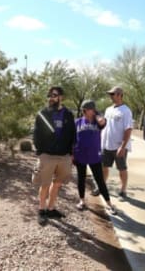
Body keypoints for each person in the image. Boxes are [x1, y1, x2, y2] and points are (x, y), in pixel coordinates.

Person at [33, 86, 76, 226]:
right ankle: (41, 210)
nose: (51, 97)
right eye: (49, 95)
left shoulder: (68, 114)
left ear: (61, 97)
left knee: (57, 184)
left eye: (54, 95)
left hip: (64, 156)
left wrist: (71, 153)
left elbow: (73, 134)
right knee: (45, 184)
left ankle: (51, 209)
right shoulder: (43, 113)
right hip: (47, 156)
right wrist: (40, 152)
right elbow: (36, 134)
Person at [73, 100, 117, 215]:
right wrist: (72, 155)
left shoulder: (98, 122)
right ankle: (82, 201)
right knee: (81, 179)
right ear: (85, 110)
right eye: (91, 109)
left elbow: (102, 123)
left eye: (94, 109)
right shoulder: (77, 122)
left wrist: (98, 116)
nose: (93, 111)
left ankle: (109, 204)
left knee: (100, 181)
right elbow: (72, 140)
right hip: (80, 155)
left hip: (94, 156)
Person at [101, 86, 133, 200]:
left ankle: (123, 190)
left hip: (119, 146)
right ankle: (102, 187)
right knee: (104, 167)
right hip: (106, 145)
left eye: (112, 94)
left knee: (121, 169)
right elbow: (104, 126)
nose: (110, 96)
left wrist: (122, 146)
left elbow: (128, 129)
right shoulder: (108, 109)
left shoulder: (126, 111)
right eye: (110, 94)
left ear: (120, 95)